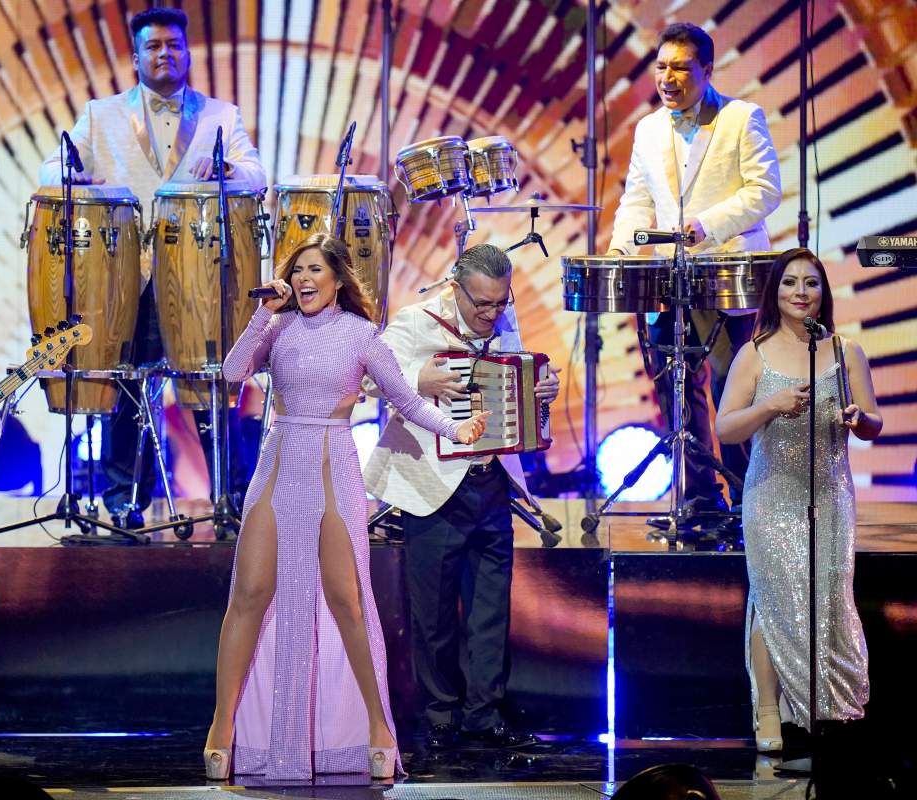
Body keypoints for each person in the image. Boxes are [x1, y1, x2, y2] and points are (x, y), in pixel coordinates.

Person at [205, 234, 488, 781]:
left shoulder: (362, 335)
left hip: (332, 461)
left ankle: (378, 727)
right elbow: (233, 372)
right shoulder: (278, 326)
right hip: (280, 461)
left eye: (315, 270)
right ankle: (222, 726)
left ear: (337, 279)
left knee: (345, 600)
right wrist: (263, 314)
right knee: (249, 593)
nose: (304, 279)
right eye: (298, 270)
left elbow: (406, 400)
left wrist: (456, 429)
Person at [38, 6, 266, 525]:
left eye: (173, 45)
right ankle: (125, 503)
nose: (165, 54)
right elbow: (52, 167)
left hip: (199, 277)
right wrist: (73, 177)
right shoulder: (100, 114)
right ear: (136, 58)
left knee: (210, 385)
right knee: (125, 388)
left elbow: (257, 173)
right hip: (126, 275)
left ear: (187, 54)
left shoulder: (221, 115)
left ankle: (232, 501)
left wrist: (229, 166)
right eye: (154, 46)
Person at [363, 244, 560, 750]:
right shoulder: (416, 322)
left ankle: (484, 714)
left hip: (491, 482)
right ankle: (440, 715)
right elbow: (366, 377)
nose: (492, 314)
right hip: (432, 487)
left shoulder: (504, 321)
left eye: (501, 302)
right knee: (432, 614)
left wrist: (542, 390)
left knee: (490, 609)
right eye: (482, 304)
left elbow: (516, 384)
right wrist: (418, 380)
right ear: (455, 289)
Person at [607, 22, 782, 519]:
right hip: (669, 278)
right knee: (675, 385)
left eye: (681, 68)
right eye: (661, 67)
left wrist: (707, 225)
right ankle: (701, 497)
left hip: (728, 274)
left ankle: (748, 500)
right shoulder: (647, 129)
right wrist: (621, 251)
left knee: (731, 385)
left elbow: (765, 189)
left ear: (707, 70)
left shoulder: (741, 117)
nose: (668, 78)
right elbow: (637, 200)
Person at [716, 248, 881, 752]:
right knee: (772, 599)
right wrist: (769, 405)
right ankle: (769, 712)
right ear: (775, 292)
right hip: (771, 497)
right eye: (790, 283)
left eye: (810, 283)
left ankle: (828, 708)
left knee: (830, 596)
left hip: (830, 495)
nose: (800, 292)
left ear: (823, 292)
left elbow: (874, 422)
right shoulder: (755, 353)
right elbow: (725, 428)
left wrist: (859, 420)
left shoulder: (846, 351)